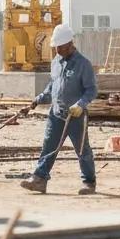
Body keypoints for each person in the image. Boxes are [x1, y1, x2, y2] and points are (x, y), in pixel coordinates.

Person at [20, 23, 98, 195]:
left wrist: (80, 104)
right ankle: (39, 179)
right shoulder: (56, 62)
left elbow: (91, 90)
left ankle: (89, 182)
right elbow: (52, 87)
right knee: (48, 147)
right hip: (56, 114)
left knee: (82, 150)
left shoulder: (83, 64)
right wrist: (37, 100)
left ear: (70, 45)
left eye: (60, 47)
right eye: (55, 47)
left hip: (76, 117)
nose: (57, 50)